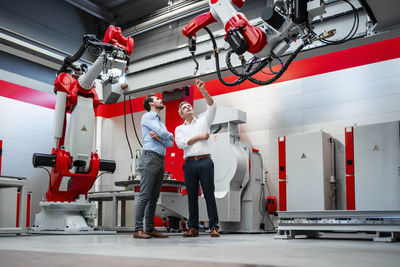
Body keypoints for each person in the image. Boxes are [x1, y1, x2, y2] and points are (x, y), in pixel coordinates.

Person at [175, 79, 220, 238]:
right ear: (181, 114)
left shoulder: (203, 120)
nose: (188, 107)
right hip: (189, 164)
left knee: (209, 194)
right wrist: (200, 136)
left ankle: (214, 226)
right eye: (184, 107)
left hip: (205, 161)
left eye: (189, 106)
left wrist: (203, 91)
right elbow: (181, 144)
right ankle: (193, 227)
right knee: (192, 196)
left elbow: (212, 106)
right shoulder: (179, 128)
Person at [133, 94, 174, 239]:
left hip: (160, 159)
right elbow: (166, 135)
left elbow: (171, 143)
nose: (160, 100)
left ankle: (149, 228)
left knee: (154, 197)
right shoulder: (148, 117)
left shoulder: (159, 121)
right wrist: (165, 136)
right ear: (151, 103)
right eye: (157, 99)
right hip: (149, 157)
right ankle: (138, 230)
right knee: (145, 195)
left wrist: (159, 138)